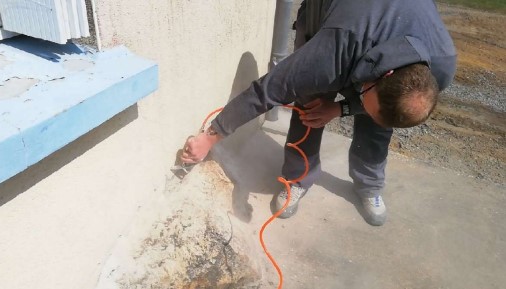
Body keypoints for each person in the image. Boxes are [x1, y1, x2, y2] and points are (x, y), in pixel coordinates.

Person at [181, 0, 457, 226]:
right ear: (380, 75)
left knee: (379, 121)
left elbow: (380, 106)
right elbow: (267, 91)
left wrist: (340, 108)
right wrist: (211, 136)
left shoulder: (440, 66)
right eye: (365, 95)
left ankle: (369, 184)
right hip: (326, 17)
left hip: (381, 28)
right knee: (310, 101)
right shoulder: (332, 50)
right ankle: (296, 178)